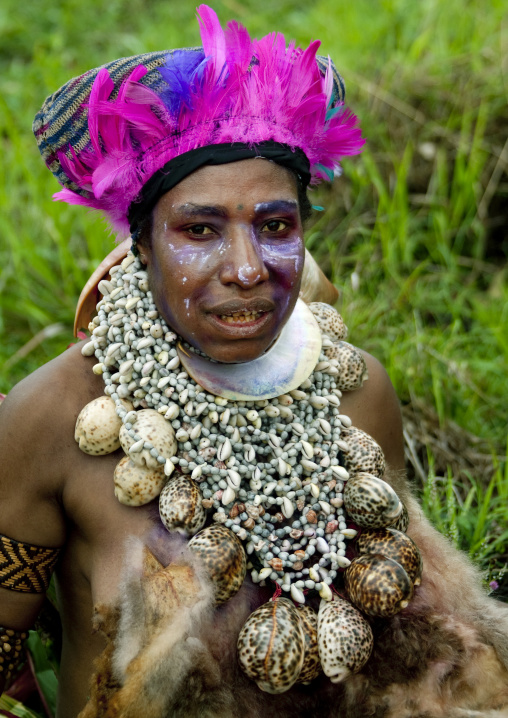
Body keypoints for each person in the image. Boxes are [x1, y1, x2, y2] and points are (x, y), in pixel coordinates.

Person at [1, 5, 508, 717]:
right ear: (140, 248)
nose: (246, 268)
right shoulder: (49, 419)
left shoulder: (357, 395)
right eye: (199, 229)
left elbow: (398, 625)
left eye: (274, 226)